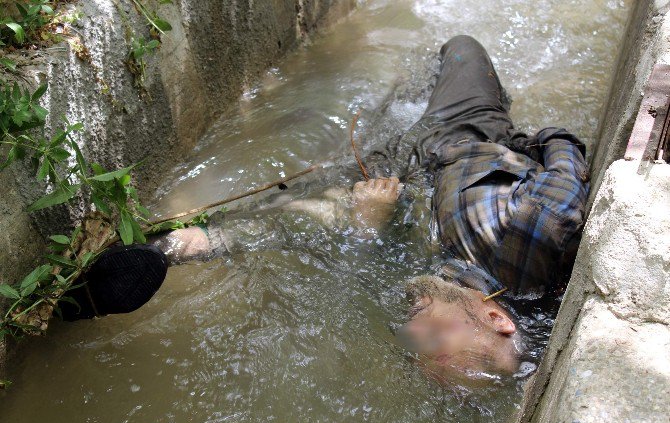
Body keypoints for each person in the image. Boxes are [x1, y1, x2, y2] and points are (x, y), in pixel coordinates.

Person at [61, 36, 589, 383]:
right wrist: (515, 142)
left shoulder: (421, 296)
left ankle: (155, 255)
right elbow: (565, 145)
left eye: (415, 349)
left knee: (290, 215)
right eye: (434, 337)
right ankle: (425, 79)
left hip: (383, 173)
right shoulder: (535, 232)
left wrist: (367, 222)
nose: (410, 331)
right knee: (460, 47)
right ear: (496, 318)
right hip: (463, 128)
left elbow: (343, 257)